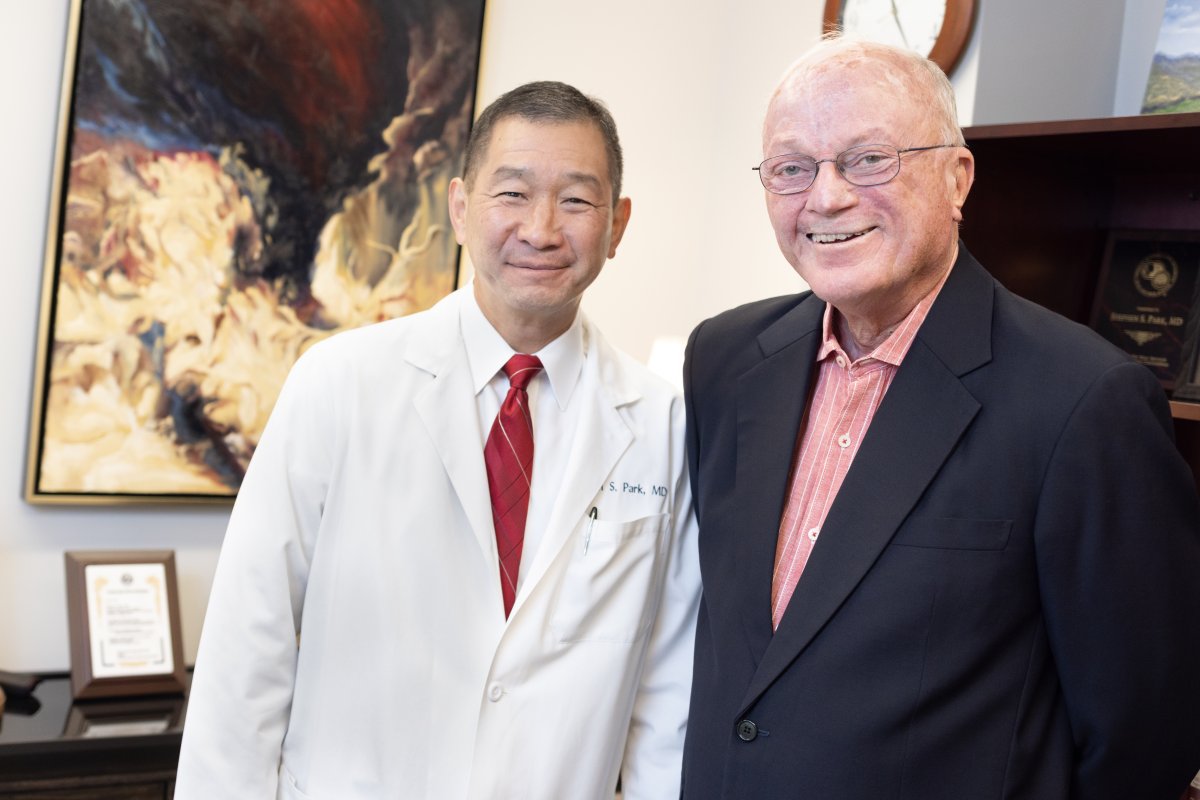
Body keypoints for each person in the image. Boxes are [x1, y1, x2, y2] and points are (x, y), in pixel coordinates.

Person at [680, 36, 1200, 800]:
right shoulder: (723, 360)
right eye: (792, 168)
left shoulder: (1083, 400)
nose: (825, 197)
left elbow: (1146, 731)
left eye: (868, 159)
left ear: (957, 178)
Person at [175, 81, 700, 800]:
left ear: (618, 225)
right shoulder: (340, 383)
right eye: (511, 194)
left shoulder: (664, 425)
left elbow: (667, 698)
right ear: (459, 208)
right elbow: (247, 645)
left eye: (577, 200)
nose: (541, 229)